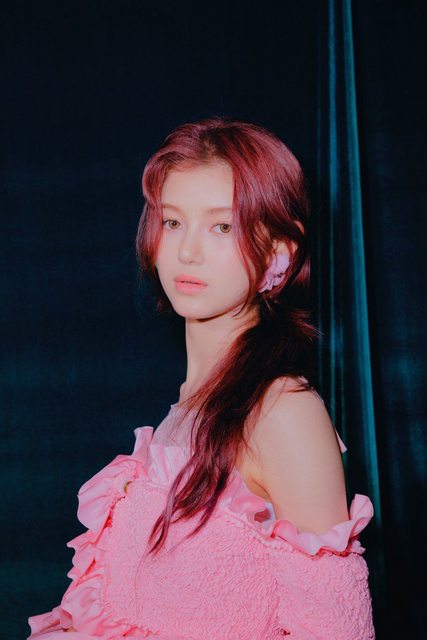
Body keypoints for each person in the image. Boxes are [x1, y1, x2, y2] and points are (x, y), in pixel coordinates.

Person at [27, 117, 375, 639]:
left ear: (279, 252)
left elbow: (338, 631)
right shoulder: (187, 405)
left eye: (222, 227)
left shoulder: (283, 411)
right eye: (172, 222)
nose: (187, 251)